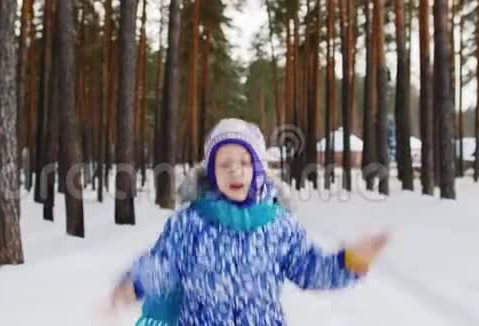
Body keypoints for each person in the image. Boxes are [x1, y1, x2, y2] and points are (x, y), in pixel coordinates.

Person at [109, 118, 389, 325]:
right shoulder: (190, 222)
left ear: (258, 170)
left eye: (245, 162)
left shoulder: (279, 226)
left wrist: (350, 261)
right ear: (211, 172)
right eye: (225, 164)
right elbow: (164, 264)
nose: (235, 171)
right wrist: (135, 283)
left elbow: (310, 269)